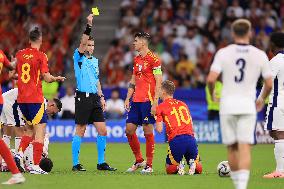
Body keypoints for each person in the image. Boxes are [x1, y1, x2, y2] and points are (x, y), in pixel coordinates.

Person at [207, 19, 272, 189]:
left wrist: (213, 93)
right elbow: (269, 83)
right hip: (247, 105)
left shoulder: (223, 53)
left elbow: (211, 79)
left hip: (228, 105)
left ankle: (237, 184)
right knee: (244, 147)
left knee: (232, 147)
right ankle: (241, 187)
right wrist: (261, 99)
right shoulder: (259, 54)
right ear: (249, 33)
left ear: (233, 33)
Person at [14, 27, 65, 175]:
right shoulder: (41, 55)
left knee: (29, 129)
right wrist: (56, 78)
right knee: (40, 131)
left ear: (29, 40)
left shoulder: (19, 54)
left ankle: (18, 154)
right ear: (41, 41)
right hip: (35, 99)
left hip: (22, 99)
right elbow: (47, 77)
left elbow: (16, 74)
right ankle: (36, 166)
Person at [71, 14, 116, 172]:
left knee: (103, 130)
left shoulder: (95, 61)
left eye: (92, 45)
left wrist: (102, 96)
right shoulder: (79, 58)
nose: (90, 47)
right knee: (81, 130)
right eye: (88, 45)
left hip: (95, 98)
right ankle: (76, 163)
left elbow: (97, 80)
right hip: (82, 98)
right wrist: (89, 25)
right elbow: (82, 43)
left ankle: (101, 162)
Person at [125, 32, 162, 173]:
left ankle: (149, 165)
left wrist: (155, 103)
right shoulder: (136, 59)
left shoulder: (154, 60)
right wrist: (128, 97)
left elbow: (159, 82)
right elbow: (133, 80)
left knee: (147, 130)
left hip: (148, 100)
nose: (133, 43)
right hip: (136, 100)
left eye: (135, 41)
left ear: (143, 43)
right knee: (129, 130)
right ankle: (139, 160)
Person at [155, 80, 202, 175]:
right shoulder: (183, 104)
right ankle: (192, 164)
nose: (158, 92)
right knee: (199, 168)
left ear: (163, 91)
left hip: (176, 140)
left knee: (169, 169)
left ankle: (179, 165)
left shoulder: (160, 107)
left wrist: (156, 116)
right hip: (191, 140)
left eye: (159, 90)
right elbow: (190, 123)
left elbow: (159, 130)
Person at [0, 50, 25, 185]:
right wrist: (15, 63)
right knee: (10, 130)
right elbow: (10, 70)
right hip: (5, 99)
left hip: (12, 99)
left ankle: (14, 164)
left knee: (14, 128)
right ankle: (14, 168)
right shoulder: (1, 54)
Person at [262, 32, 284, 178]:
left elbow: (268, 83)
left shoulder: (276, 60)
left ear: (273, 45)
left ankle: (280, 171)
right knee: (274, 132)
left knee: (278, 133)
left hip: (278, 101)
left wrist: (260, 99)